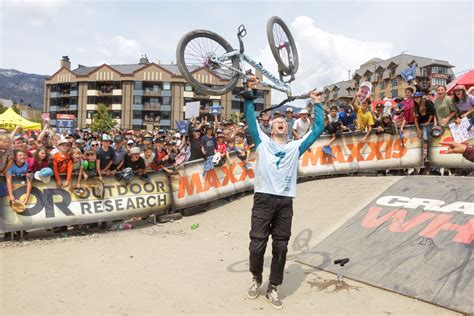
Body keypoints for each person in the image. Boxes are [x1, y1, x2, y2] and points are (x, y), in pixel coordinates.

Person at [242, 76, 325, 310]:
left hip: (285, 201)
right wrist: (250, 90)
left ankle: (273, 286)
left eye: (283, 121)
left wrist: (316, 103)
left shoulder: (295, 147)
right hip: (263, 199)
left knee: (281, 246)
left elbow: (317, 128)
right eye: (276, 120)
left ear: (288, 127)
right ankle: (256, 278)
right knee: (257, 244)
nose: (280, 122)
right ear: (270, 127)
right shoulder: (261, 141)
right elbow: (249, 114)